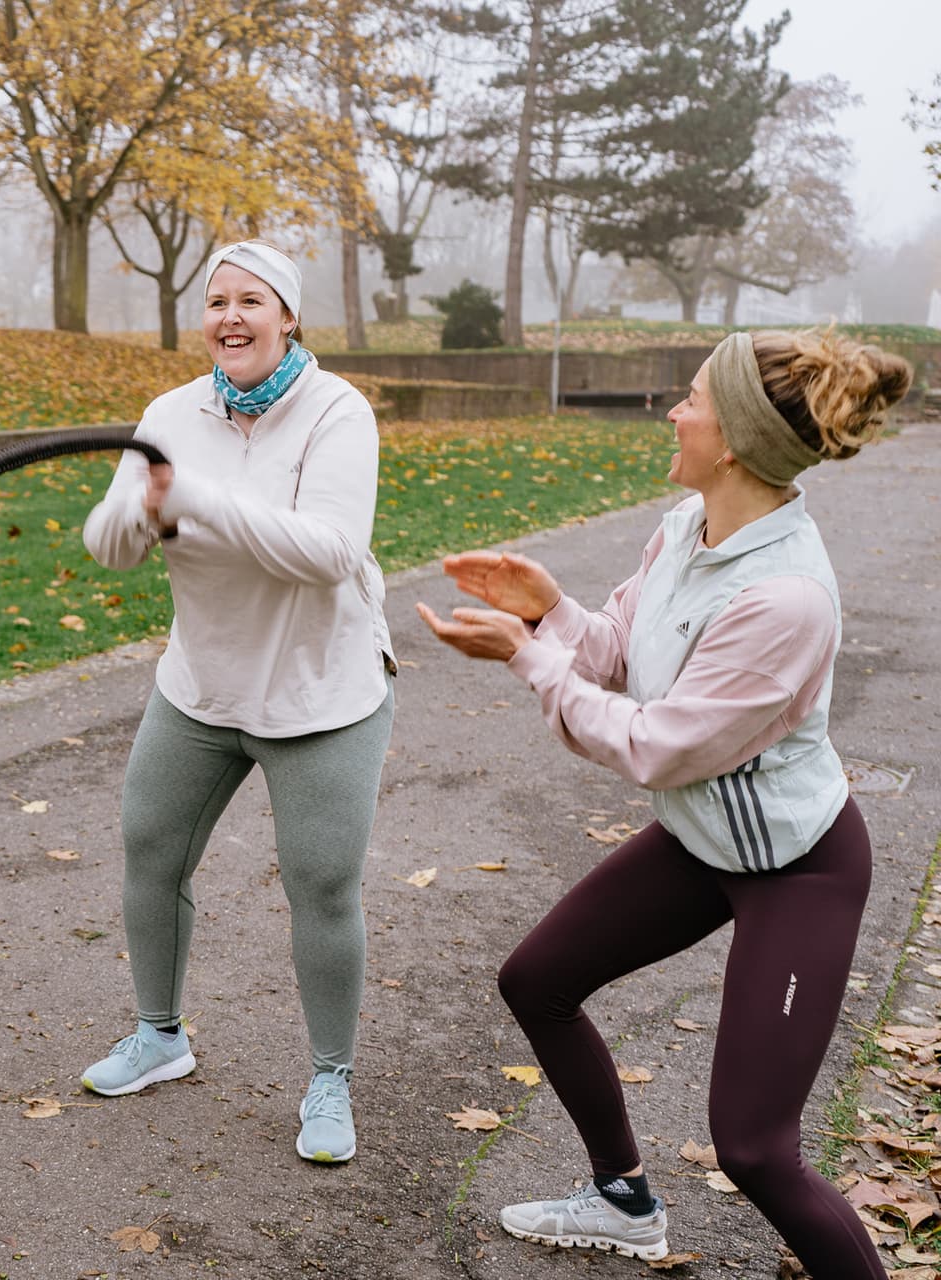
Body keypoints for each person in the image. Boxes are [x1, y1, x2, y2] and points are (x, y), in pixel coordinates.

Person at [418, 328, 911, 1271]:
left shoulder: (787, 599)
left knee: (758, 1151)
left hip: (795, 869)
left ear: (730, 444)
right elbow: (616, 647)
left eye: (689, 398)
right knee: (538, 981)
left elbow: (656, 745)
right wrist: (550, 612)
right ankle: (622, 1200)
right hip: (703, 838)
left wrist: (525, 659)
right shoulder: (690, 525)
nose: (672, 412)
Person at [78, 241, 396, 1164]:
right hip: (203, 685)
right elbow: (110, 547)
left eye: (250, 300)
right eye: (216, 301)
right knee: (149, 847)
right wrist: (140, 512)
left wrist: (198, 499)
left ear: (288, 316)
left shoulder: (337, 411)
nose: (229, 318)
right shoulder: (168, 414)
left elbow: (330, 550)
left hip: (319, 694)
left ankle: (330, 1079)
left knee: (321, 886)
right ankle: (159, 1035)